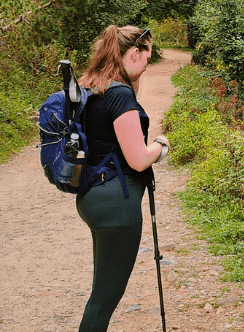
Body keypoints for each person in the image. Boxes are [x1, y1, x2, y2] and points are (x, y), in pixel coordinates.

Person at [74, 24, 170, 332]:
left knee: (100, 291)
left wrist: (131, 76)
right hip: (117, 205)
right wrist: (160, 145)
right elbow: (138, 159)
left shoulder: (91, 86)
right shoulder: (120, 98)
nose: (148, 62)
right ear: (133, 53)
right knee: (103, 302)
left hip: (92, 196)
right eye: (147, 55)